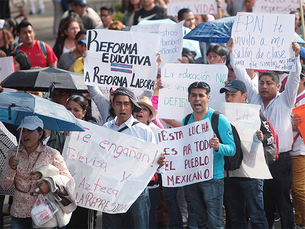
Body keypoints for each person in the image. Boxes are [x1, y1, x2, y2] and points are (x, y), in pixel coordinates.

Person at [226, 38, 301, 229]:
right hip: (257, 160)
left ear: (278, 86)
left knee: (284, 204)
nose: (264, 86)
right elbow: (242, 75)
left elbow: (293, 79)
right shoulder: (254, 98)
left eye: (269, 83)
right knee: (264, 205)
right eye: (261, 82)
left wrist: (295, 56)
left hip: (280, 160)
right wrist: (233, 52)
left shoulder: (285, 100)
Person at [102, 87, 165, 229]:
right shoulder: (105, 128)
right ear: (113, 105)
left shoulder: (144, 131)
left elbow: (156, 163)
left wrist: (160, 162)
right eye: (118, 103)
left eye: (126, 103)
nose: (122, 107)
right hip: (110, 190)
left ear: (132, 107)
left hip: (136, 192)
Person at [0, 116, 74, 228]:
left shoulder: (52, 154)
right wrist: (11, 167)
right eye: (22, 130)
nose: (25, 134)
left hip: (43, 213)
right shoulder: (13, 153)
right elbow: (5, 185)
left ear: (40, 134)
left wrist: (49, 184)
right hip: (19, 214)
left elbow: (68, 181)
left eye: (30, 130)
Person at [184, 81, 235, 228]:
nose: (197, 99)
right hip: (193, 177)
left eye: (201, 95)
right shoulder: (186, 120)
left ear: (208, 98)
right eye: (193, 95)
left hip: (213, 178)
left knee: (214, 221)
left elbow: (232, 149)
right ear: (188, 98)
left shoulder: (219, 119)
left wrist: (218, 147)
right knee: (200, 219)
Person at [219, 79, 269, 229]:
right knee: (235, 217)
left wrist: (262, 137)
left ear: (244, 95)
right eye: (227, 95)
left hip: (251, 173)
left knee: (257, 215)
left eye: (233, 95)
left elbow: (269, 135)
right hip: (230, 174)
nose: (228, 98)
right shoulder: (221, 115)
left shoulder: (255, 113)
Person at [65, 95, 97, 229]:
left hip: (84, 191)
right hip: (65, 189)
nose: (72, 113)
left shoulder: (94, 132)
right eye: (69, 109)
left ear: (84, 113)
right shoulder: (59, 130)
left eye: (76, 110)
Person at [133, 96, 161, 228]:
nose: (140, 111)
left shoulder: (156, 132)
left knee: (148, 220)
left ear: (150, 116)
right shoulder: (128, 130)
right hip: (130, 185)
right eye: (138, 108)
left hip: (150, 185)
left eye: (144, 109)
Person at [290, 68, 305, 229]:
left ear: (302, 79)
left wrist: (293, 126)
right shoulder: (288, 97)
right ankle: (299, 220)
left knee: (299, 189)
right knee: (294, 190)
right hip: (287, 150)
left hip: (300, 150)